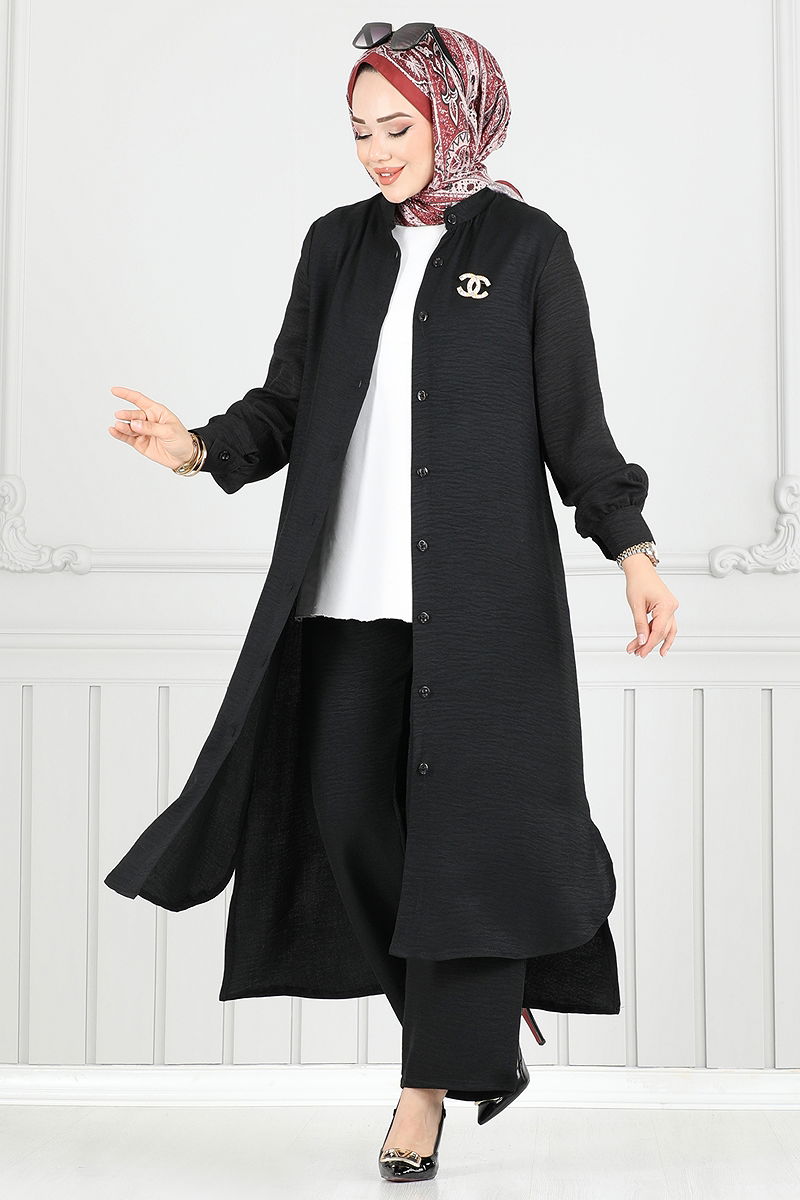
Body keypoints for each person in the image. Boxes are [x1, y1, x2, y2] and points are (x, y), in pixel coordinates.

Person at [107, 22, 679, 1184]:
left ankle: (426, 1090)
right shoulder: (336, 246)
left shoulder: (525, 248)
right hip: (344, 599)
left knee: (464, 849)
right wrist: (198, 448)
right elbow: (285, 401)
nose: (375, 151)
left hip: (484, 610)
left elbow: (574, 427)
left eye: (396, 127)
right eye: (359, 131)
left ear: (453, 117)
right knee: (346, 816)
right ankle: (472, 1037)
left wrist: (631, 550)